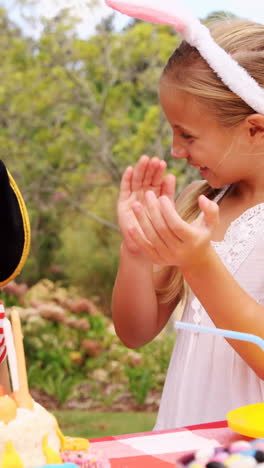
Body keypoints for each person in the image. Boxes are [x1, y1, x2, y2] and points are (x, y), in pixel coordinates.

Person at [111, 17, 264, 430]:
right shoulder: (201, 203)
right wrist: (137, 250)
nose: (176, 150)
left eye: (188, 135)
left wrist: (199, 264)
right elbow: (136, 332)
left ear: (255, 129)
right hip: (185, 429)